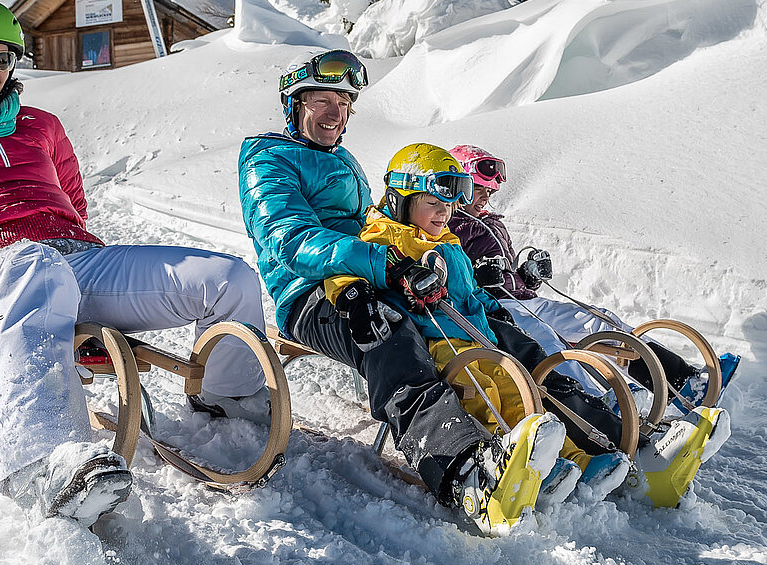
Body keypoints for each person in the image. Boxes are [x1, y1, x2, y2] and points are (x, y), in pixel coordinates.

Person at [239, 50, 573, 534]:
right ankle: (463, 471)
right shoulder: (266, 160)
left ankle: (575, 436)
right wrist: (386, 263)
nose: (337, 113)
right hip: (312, 296)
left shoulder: (341, 158)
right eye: (323, 101)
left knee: (485, 321)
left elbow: (374, 223)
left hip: (375, 276)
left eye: (345, 103)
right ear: (294, 103)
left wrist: (416, 254)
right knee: (388, 333)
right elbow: (291, 238)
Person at [0, 0, 270, 528]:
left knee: (228, 279)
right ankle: (33, 460)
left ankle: (229, 399)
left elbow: (72, 198)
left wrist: (77, 306)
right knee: (35, 268)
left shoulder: (40, 125)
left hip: (70, 260)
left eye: (0, 59)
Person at [322, 142, 656, 506]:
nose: (443, 213)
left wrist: (493, 309)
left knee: (520, 392)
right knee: (486, 396)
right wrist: (363, 293)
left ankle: (573, 461)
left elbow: (471, 292)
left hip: (478, 338)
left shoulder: (449, 242)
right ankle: (507, 462)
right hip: (437, 344)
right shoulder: (383, 237)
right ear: (400, 200)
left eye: (448, 205)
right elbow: (343, 273)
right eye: (432, 203)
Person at [447, 144, 739, 411]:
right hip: (495, 310)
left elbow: (508, 274)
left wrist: (529, 275)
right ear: (458, 186)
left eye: (490, 192)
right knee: (548, 340)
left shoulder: (489, 223)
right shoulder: (450, 227)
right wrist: (480, 279)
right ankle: (596, 406)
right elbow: (457, 281)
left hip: (525, 300)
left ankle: (683, 382)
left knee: (599, 319)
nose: (486, 197)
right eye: (480, 189)